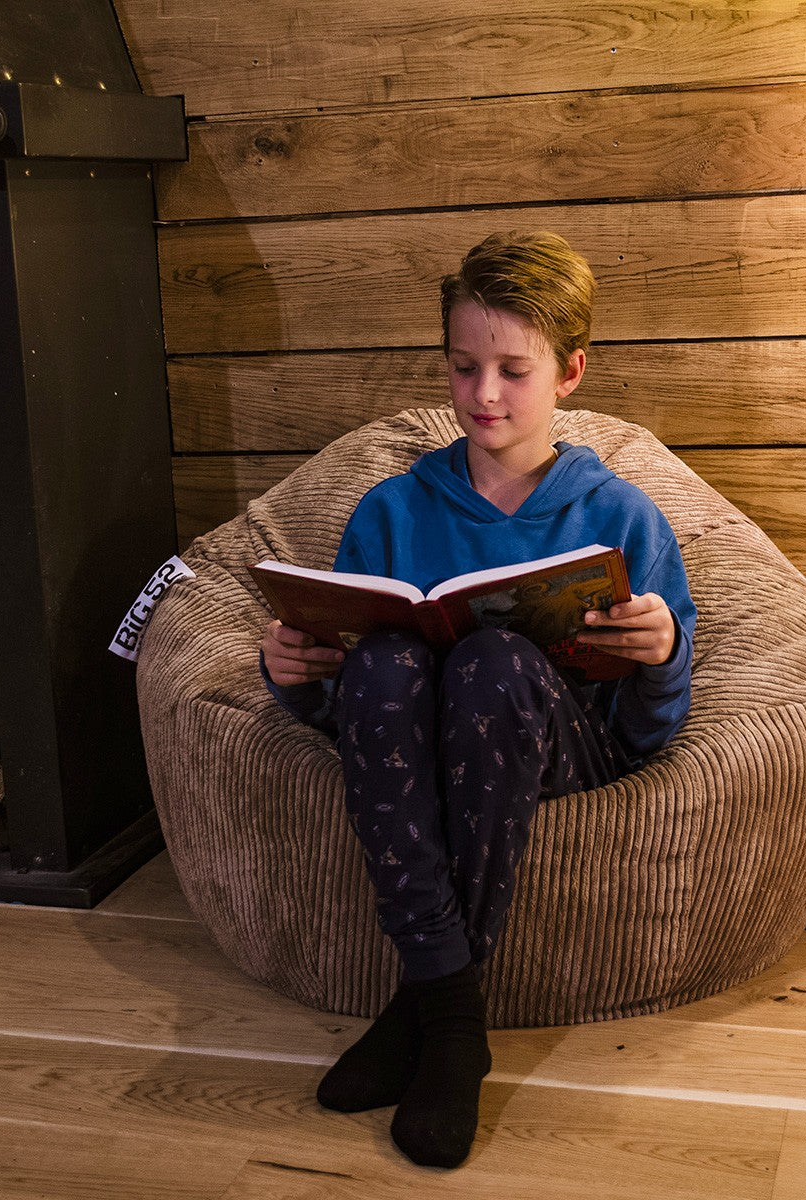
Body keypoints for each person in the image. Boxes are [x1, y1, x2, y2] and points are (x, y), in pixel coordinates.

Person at [260, 231, 695, 1169]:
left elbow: (651, 731)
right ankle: (451, 1013)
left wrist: (660, 655)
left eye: (513, 370)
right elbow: (348, 707)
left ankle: (433, 1019)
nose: (484, 395)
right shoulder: (389, 510)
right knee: (385, 666)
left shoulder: (621, 516)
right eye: (464, 368)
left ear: (570, 373)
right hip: (411, 732)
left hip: (560, 740)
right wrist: (295, 674)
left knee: (493, 661)